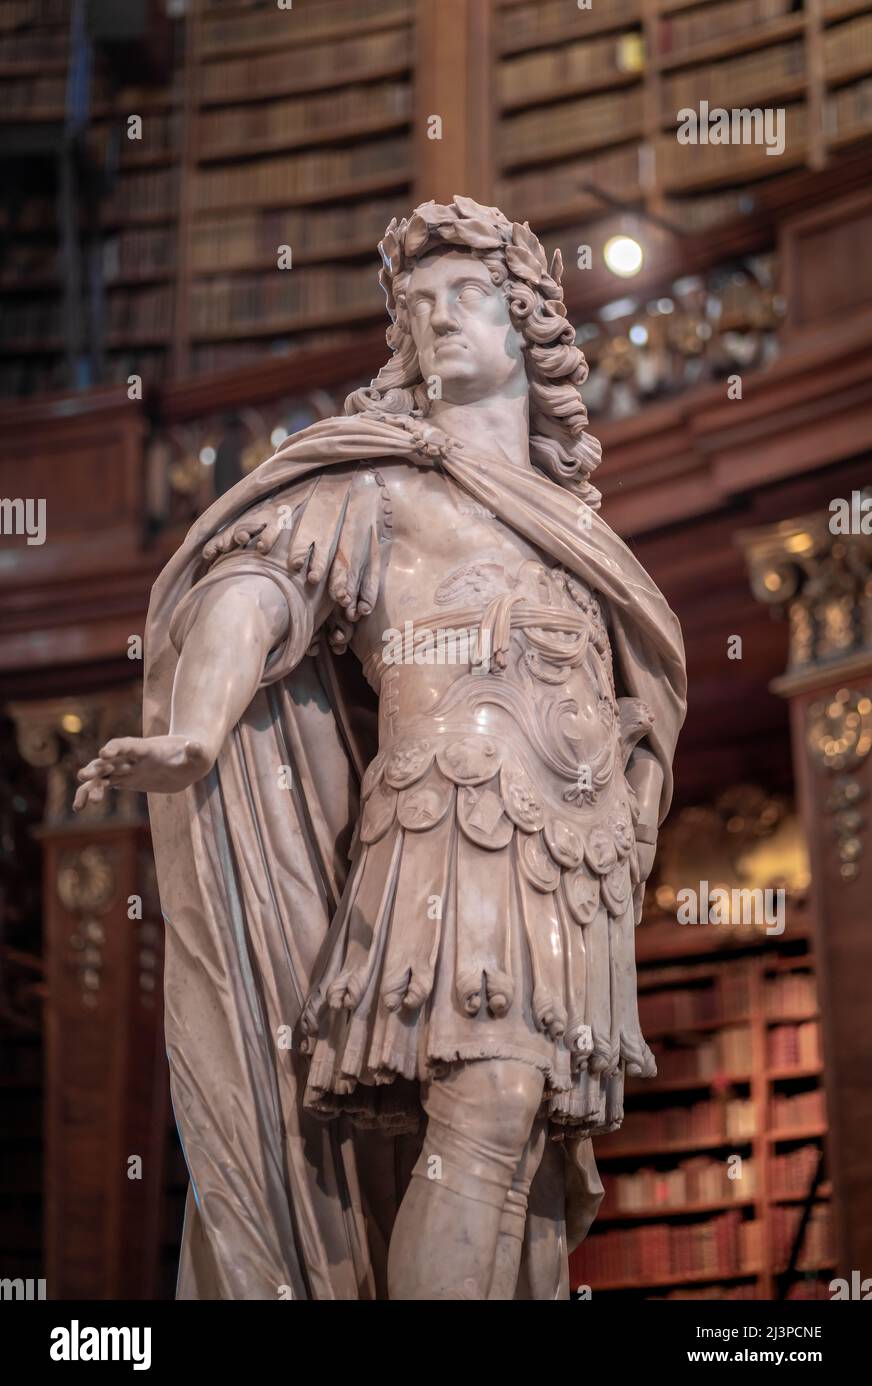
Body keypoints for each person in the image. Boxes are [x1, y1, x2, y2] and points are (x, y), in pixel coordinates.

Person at [75, 196, 686, 1299]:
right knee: (485, 1109)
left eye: (467, 296)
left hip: (573, 864)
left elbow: (632, 685)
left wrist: (630, 772)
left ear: (525, 324)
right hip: (452, 827)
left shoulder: (575, 529)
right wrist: (195, 730)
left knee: (524, 1154)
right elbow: (254, 588)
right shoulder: (375, 482)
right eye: (419, 304)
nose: (439, 317)